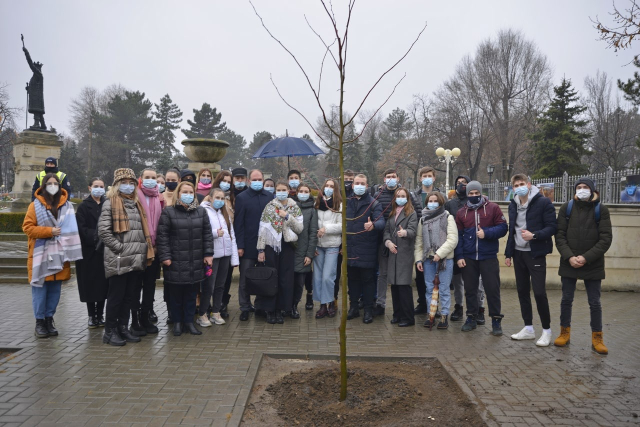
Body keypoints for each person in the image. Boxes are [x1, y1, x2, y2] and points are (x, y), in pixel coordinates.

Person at [554, 178, 612, 355]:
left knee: (594, 302)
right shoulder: (567, 208)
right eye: (578, 187)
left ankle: (597, 337)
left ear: (592, 190)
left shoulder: (600, 210)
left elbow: (605, 239)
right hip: (569, 261)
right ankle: (564, 332)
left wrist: (585, 258)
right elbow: (560, 235)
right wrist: (570, 257)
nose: (581, 190)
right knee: (566, 299)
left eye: (585, 187)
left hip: (592, 263)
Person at [98, 168, 155, 346]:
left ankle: (123, 327)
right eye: (124, 183)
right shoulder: (110, 203)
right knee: (116, 297)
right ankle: (110, 331)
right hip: (119, 259)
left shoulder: (136, 203)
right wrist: (120, 249)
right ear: (117, 185)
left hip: (136, 259)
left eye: (131, 183)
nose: (128, 186)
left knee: (129, 297)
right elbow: (104, 232)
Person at [23, 173, 82, 338]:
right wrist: (50, 231)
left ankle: (49, 319)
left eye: (56, 183)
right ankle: (39, 322)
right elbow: (27, 228)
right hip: (40, 255)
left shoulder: (67, 206)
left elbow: (72, 228)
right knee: (40, 291)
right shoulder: (34, 206)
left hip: (60, 255)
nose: (53, 186)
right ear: (43, 186)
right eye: (49, 183)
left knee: (55, 291)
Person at [505, 174, 557, 347]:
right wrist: (508, 253)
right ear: (513, 188)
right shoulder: (513, 204)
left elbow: (552, 227)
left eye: (522, 184)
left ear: (529, 184)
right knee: (522, 291)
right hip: (518, 254)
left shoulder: (543, 202)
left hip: (535, 253)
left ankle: (547, 331)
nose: (520, 187)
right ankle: (528, 328)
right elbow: (512, 229)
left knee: (540, 292)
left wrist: (534, 235)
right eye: (516, 185)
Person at [156, 181, 214, 336]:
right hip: (175, 260)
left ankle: (189, 322)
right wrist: (166, 256)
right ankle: (177, 322)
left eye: (190, 192)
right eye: (184, 192)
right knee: (175, 295)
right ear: (178, 193)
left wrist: (208, 254)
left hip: (195, 260)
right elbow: (162, 237)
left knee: (191, 294)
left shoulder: (201, 212)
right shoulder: (169, 212)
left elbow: (207, 235)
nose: (188, 195)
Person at [455, 181, 507, 335]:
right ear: (467, 194)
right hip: (469, 257)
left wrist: (487, 233)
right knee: (470, 289)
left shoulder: (493, 208)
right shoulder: (461, 213)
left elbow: (503, 227)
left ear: (481, 192)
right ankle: (471, 317)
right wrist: (459, 256)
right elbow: (458, 237)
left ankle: (496, 320)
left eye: (476, 193)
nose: (474, 196)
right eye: (471, 194)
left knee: (492, 289)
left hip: (488, 256)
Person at [373, 169, 420, 316]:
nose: (391, 179)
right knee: (385, 275)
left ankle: (405, 313)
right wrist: (386, 240)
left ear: (398, 178)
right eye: (388, 177)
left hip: (403, 245)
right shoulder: (379, 196)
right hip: (385, 242)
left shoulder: (409, 201)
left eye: (393, 177)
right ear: (384, 178)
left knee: (401, 279)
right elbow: (380, 220)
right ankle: (382, 305)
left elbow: (416, 216)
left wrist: (406, 231)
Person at [256, 181, 304, 324]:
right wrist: (260, 249)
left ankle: (281, 309)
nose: (281, 192)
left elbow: (299, 229)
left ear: (289, 190)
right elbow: (262, 229)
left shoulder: (294, 207)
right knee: (271, 278)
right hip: (271, 246)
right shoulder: (269, 206)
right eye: (279, 189)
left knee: (285, 279)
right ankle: (270, 310)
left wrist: (287, 216)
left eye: (284, 189)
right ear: (275, 191)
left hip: (287, 245)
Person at [415, 192, 458, 329]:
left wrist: (439, 254)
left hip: (444, 260)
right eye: (430, 200)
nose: (432, 203)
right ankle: (431, 314)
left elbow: (452, 239)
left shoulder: (447, 217)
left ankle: (444, 316)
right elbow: (419, 241)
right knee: (429, 288)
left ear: (440, 203)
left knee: (444, 289)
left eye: (435, 201)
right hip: (428, 260)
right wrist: (418, 260)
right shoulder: (423, 219)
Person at [346, 174, 385, 324]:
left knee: (368, 281)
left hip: (367, 248)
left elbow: (381, 221)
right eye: (357, 183)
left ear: (367, 186)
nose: (359, 185)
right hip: (350, 248)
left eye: (362, 183)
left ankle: (368, 309)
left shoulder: (373, 203)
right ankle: (353, 307)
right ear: (353, 184)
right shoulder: (347, 201)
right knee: (353, 280)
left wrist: (373, 225)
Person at [234, 169, 272, 321]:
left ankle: (260, 305)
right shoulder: (242, 198)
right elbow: (239, 223)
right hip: (248, 245)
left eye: (260, 179)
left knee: (263, 277)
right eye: (254, 179)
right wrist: (240, 245)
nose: (257, 182)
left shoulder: (269, 197)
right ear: (249, 181)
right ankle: (244, 306)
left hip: (266, 245)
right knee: (245, 278)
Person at [130, 168, 164, 336]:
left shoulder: (159, 197)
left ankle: (146, 317)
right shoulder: (135, 195)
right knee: (136, 285)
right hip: (137, 246)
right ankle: (134, 320)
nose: (151, 180)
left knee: (150, 285)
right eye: (147, 177)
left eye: (153, 177)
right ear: (141, 179)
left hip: (154, 248)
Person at [199, 188, 239, 326]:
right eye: (217, 198)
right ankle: (202, 313)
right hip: (211, 256)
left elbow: (231, 235)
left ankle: (216, 312)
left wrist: (234, 258)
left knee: (220, 285)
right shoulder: (202, 211)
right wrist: (215, 233)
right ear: (210, 198)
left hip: (225, 255)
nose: (220, 201)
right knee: (208, 285)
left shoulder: (224, 213)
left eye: (222, 198)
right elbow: (200, 231)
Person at [76, 177, 109, 329]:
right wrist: (96, 235)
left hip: (105, 250)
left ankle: (100, 314)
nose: (99, 189)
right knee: (89, 284)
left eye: (101, 186)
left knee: (103, 284)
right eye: (96, 186)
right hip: (88, 251)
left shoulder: (107, 204)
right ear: (89, 188)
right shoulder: (83, 206)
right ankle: (91, 315)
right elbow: (81, 228)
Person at [412, 166, 445, 315]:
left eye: (429, 175)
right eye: (424, 175)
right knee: (420, 274)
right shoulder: (414, 196)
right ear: (420, 178)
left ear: (434, 178)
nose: (427, 178)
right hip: (421, 238)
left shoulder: (440, 195)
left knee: (436, 275)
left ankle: (434, 304)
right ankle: (422, 302)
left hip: (437, 240)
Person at [383, 188, 418, 327]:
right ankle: (397, 314)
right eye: (398, 196)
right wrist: (388, 242)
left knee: (404, 286)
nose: (400, 198)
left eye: (403, 196)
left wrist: (405, 232)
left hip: (404, 254)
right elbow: (386, 231)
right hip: (393, 253)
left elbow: (413, 231)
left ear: (407, 198)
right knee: (395, 286)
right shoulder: (392, 213)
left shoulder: (412, 213)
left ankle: (408, 317)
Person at [444, 175, 473, 321]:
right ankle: (459, 307)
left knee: (474, 282)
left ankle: (476, 309)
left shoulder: (474, 201)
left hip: (471, 246)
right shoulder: (451, 204)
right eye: (458, 183)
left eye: (464, 182)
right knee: (457, 281)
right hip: (455, 247)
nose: (461, 185)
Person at [314, 178, 342, 318]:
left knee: (327, 277)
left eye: (332, 186)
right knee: (318, 277)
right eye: (327, 186)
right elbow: (313, 223)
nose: (329, 188)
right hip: (319, 245)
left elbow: (341, 225)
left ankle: (331, 302)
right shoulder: (317, 203)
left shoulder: (339, 205)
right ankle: (322, 305)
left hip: (332, 245)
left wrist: (326, 228)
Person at [293, 183, 318, 317]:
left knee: (299, 283)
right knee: (289, 281)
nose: (303, 193)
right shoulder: (290, 207)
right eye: (301, 191)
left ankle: (295, 306)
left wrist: (309, 254)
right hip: (290, 251)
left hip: (304, 252)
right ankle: (288, 305)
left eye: (306, 191)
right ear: (296, 193)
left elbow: (313, 233)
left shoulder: (312, 211)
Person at [212, 170, 235, 318]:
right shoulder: (211, 200)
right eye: (223, 180)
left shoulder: (232, 199)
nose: (226, 183)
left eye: (228, 181)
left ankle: (221, 304)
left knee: (225, 278)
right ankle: (209, 306)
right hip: (214, 246)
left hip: (228, 243)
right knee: (212, 279)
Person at [334, 169, 356, 302]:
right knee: (336, 272)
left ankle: (353, 299)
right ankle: (334, 298)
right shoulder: (338, 194)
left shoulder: (355, 195)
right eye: (345, 179)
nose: (348, 182)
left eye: (350, 179)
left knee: (352, 272)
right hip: (338, 238)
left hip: (353, 237)